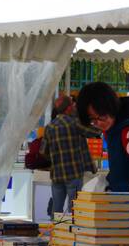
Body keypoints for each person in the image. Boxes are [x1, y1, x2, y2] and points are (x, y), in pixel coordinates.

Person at [45, 82, 118, 215]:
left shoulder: (50, 127)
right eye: (72, 104)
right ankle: (73, 231)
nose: (74, 107)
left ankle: (56, 231)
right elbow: (94, 132)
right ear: (68, 109)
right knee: (74, 208)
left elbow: (43, 151)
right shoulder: (74, 123)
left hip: (56, 174)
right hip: (73, 173)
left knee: (57, 209)